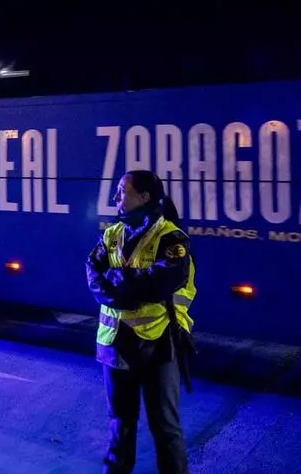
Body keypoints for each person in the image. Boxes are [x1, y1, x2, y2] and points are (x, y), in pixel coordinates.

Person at [86, 170, 197, 474]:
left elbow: (164, 281)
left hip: (158, 345)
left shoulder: (171, 237)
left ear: (144, 197)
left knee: (166, 429)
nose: (116, 198)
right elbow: (93, 274)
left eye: (122, 191)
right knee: (120, 426)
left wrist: (119, 279)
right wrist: (119, 294)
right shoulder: (112, 234)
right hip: (115, 346)